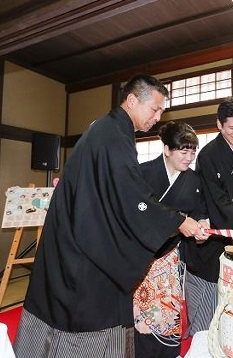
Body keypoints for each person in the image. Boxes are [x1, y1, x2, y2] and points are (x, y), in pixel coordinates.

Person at [14, 74, 205, 358]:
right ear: (131, 101)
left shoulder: (108, 130)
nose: (158, 117)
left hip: (74, 237)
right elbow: (131, 196)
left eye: (161, 111)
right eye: (154, 109)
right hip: (85, 249)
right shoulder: (113, 136)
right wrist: (177, 220)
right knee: (88, 312)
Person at [133, 121, 210, 358]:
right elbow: (136, 208)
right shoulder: (143, 172)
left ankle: (168, 353)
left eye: (193, 151)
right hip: (140, 253)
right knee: (142, 312)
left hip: (170, 256)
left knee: (169, 311)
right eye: (183, 151)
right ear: (167, 149)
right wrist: (178, 221)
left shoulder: (194, 180)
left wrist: (201, 224)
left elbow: (199, 211)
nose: (189, 157)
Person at [183, 97, 233, 335]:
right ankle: (201, 340)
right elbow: (214, 199)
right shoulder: (208, 154)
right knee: (207, 301)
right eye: (232, 128)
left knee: (232, 302)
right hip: (211, 231)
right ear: (219, 125)